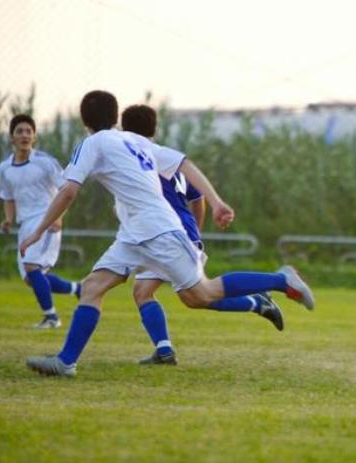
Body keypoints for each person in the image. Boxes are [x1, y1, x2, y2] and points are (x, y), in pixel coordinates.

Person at [21, 90, 314, 377]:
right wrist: (216, 202)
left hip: (159, 230)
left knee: (202, 294)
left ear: (85, 121)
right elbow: (185, 163)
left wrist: (37, 231)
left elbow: (69, 191)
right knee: (93, 286)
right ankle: (66, 361)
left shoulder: (93, 142)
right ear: (114, 116)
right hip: (133, 234)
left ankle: (280, 280)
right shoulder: (135, 141)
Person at [121, 104, 284, 365]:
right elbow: (197, 199)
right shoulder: (164, 160)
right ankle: (164, 351)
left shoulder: (140, 162)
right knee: (152, 292)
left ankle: (263, 294)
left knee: (198, 295)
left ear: (122, 130)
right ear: (154, 129)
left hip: (169, 235)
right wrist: (195, 232)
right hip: (178, 233)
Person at [0, 114, 81, 328]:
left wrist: (59, 217)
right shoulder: (4, 168)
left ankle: (51, 317)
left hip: (47, 219)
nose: (25, 135)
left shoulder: (45, 162)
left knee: (31, 266)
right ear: (11, 137)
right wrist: (8, 219)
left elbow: (66, 190)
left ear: (34, 137)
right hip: (25, 224)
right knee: (31, 278)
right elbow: (7, 197)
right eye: (20, 131)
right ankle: (78, 289)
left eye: (28, 131)